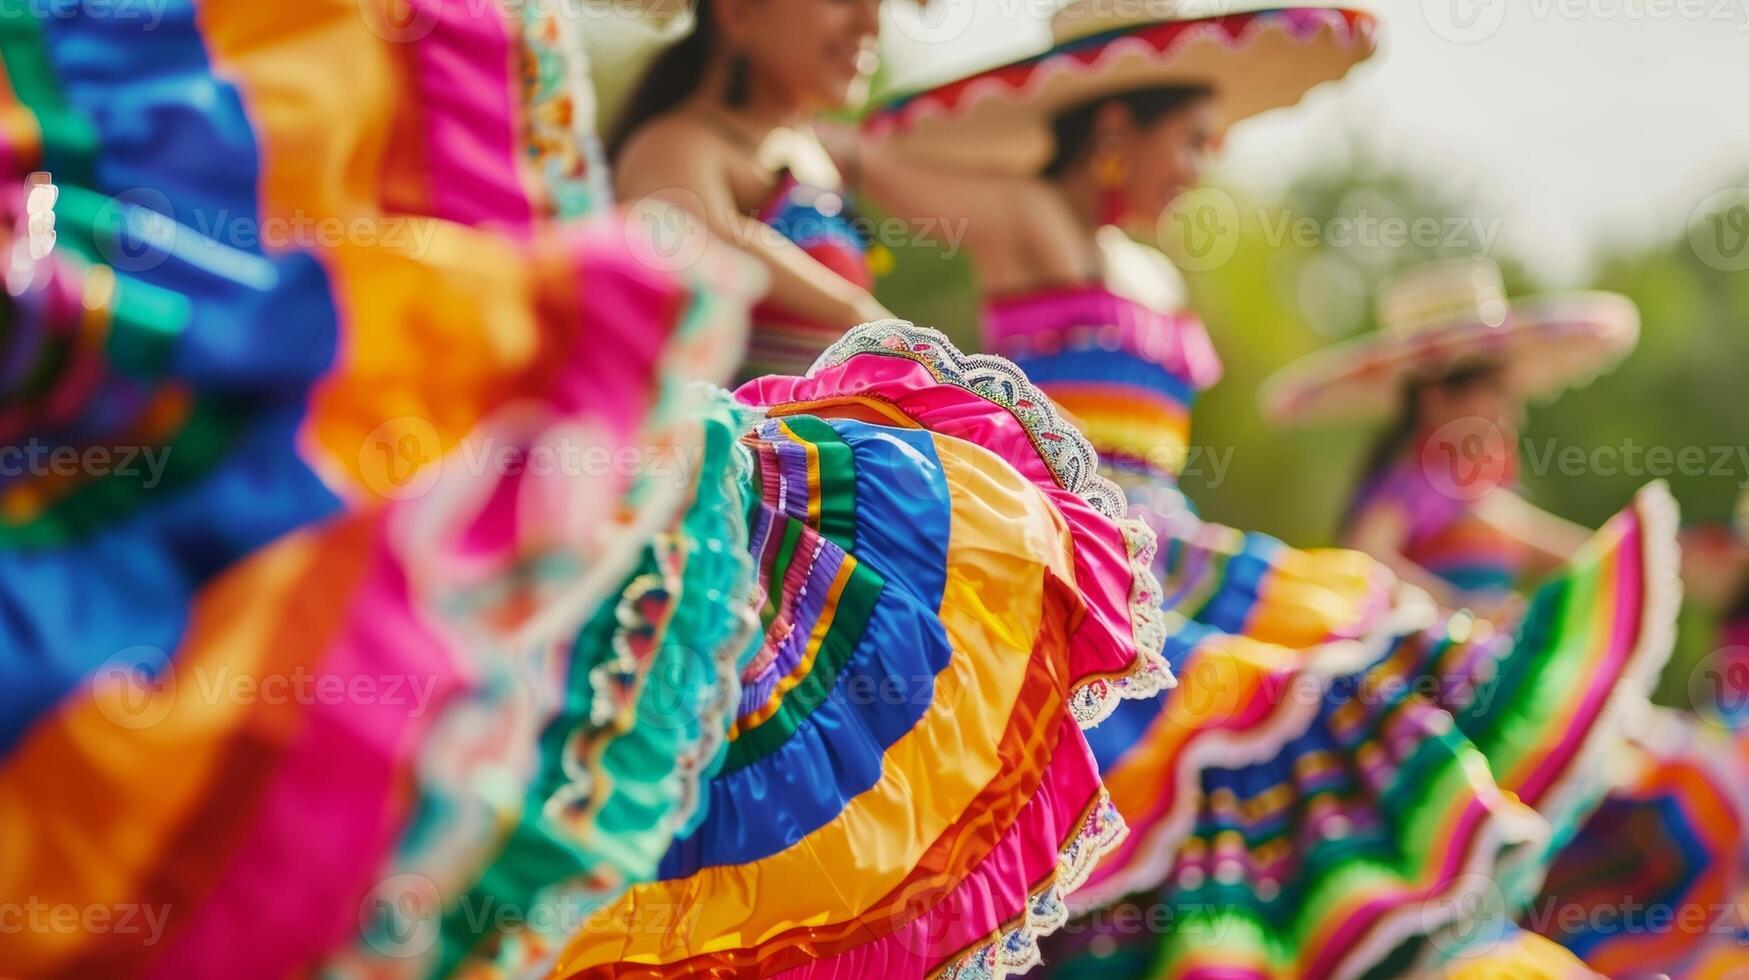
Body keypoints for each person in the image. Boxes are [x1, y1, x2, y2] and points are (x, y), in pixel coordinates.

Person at [857, 3, 1682, 975]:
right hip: (1065, 555)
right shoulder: (1034, 218)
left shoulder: (1153, 269)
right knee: (1201, 748)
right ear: (1117, 131)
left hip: (1166, 550)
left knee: (1333, 689)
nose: (1203, 168)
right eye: (1193, 142)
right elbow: (868, 165)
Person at [607, 0, 894, 378]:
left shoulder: (819, 158)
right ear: (738, 11)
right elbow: (699, 235)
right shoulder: (674, 146)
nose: (870, 22)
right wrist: (861, 315)